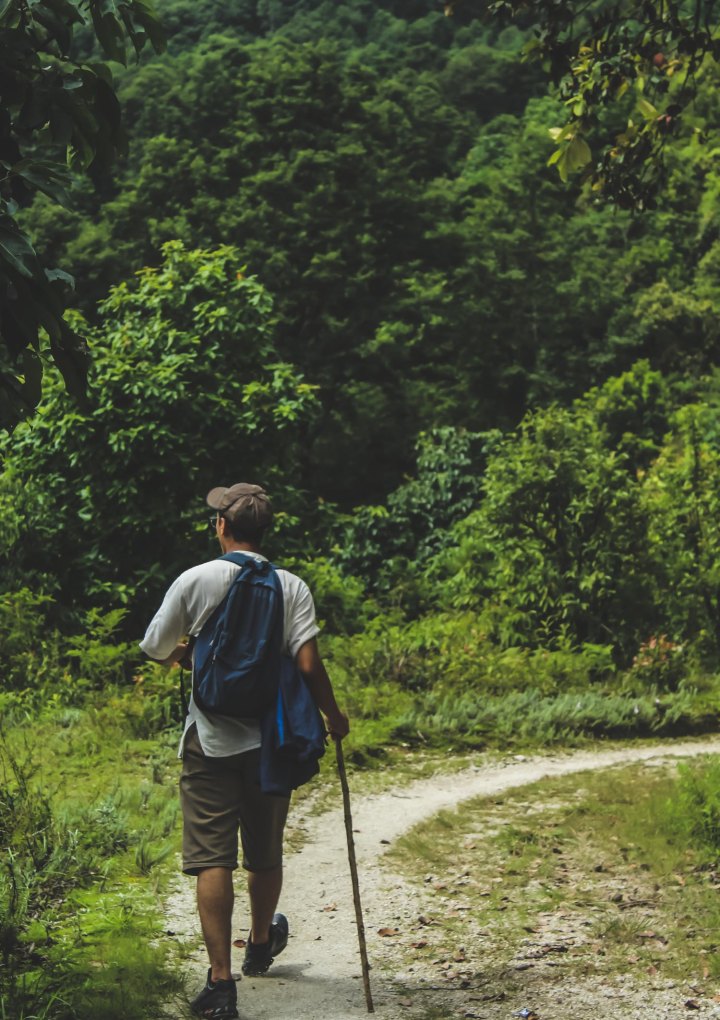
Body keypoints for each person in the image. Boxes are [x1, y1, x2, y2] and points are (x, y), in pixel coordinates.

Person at [140, 482, 350, 1020]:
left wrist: (187, 659)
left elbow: (155, 646)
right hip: (271, 741)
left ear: (222, 527)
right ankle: (260, 943)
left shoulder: (197, 579)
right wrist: (333, 714)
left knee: (212, 857)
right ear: (265, 531)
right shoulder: (291, 586)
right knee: (265, 848)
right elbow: (307, 664)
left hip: (209, 739)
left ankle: (221, 984)